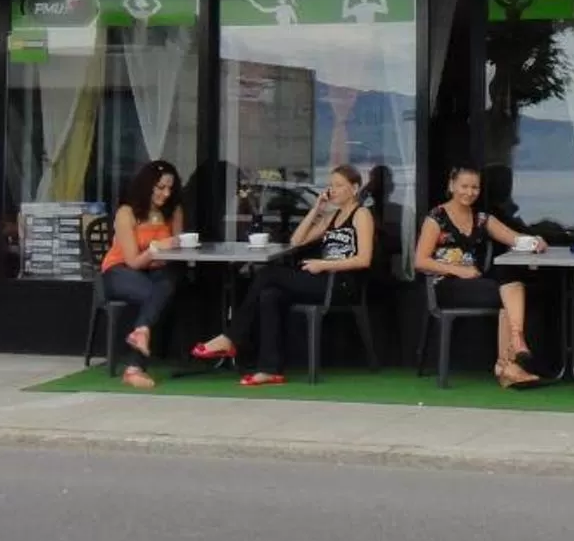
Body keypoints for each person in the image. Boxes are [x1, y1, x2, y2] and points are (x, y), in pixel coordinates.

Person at [193, 164, 374, 387]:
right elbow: (297, 241)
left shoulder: (361, 214)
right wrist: (316, 209)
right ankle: (269, 369)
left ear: (354, 189)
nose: (333, 190)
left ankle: (231, 337)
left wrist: (323, 265)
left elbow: (364, 259)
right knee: (270, 294)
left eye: (339, 185)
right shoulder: (332, 216)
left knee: (269, 274)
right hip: (323, 279)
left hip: (342, 284)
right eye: (331, 185)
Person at [414, 165, 545, 387]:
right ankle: (509, 363)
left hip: (475, 282)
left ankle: (511, 354)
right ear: (452, 185)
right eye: (464, 186)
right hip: (445, 284)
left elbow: (514, 239)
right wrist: (459, 270)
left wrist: (535, 242)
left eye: (475, 187)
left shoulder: (481, 218)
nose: (469, 192)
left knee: (508, 276)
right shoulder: (436, 218)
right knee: (505, 294)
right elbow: (420, 261)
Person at [100, 158, 185, 390]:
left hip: (156, 269)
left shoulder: (174, 211)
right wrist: (157, 249)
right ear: (147, 185)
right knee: (155, 295)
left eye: (170, 188)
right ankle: (135, 366)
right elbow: (133, 261)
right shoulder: (127, 213)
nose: (166, 194)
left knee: (167, 284)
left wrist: (169, 250)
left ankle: (136, 357)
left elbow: (178, 249)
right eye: (160, 188)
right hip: (120, 271)